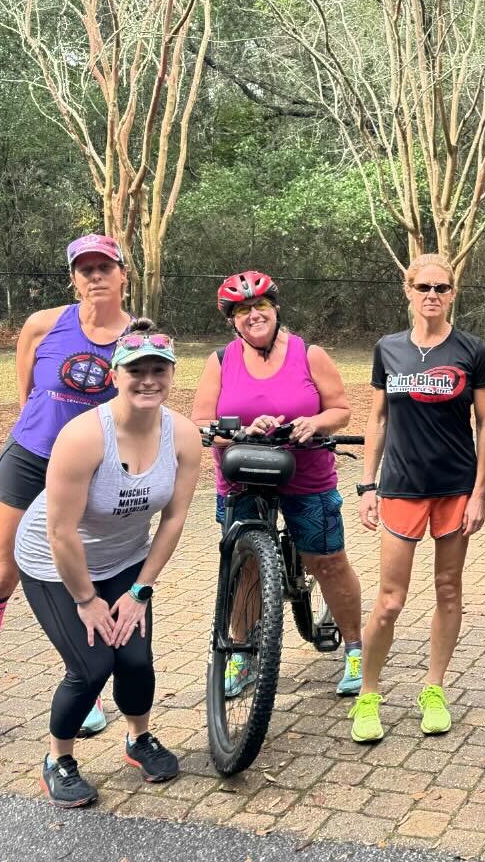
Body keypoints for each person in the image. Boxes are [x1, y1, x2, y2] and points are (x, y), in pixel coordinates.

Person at [0, 234, 132, 758]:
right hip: (30, 459)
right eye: (84, 268)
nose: (95, 276)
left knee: (81, 573)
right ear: (73, 277)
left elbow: (137, 408)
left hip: (90, 472)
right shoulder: (42, 324)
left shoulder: (136, 336)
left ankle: (85, 685)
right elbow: (27, 394)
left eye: (105, 267)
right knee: (0, 575)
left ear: (123, 275)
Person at [12, 320, 202, 806]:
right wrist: (87, 601)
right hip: (55, 561)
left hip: (123, 560)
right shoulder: (83, 437)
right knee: (93, 665)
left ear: (172, 374)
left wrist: (140, 591)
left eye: (158, 369)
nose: (148, 380)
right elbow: (60, 531)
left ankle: (138, 740)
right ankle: (59, 759)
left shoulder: (181, 435)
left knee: (135, 659)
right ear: (116, 373)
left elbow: (175, 518)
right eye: (136, 369)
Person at [190, 270, 366, 712]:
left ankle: (357, 650)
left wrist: (315, 422)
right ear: (232, 319)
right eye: (243, 311)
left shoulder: (310, 354)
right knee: (244, 568)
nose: (254, 316)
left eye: (261, 307)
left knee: (327, 562)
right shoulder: (220, 360)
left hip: (307, 475)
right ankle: (243, 656)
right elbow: (201, 423)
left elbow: (341, 410)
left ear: (276, 308)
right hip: (242, 477)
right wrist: (241, 431)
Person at [348, 254, 485, 743]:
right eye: (423, 287)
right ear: (407, 292)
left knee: (448, 590)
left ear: (453, 293)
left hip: (455, 490)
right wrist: (368, 485)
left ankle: (434, 688)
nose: (433, 295)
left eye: (442, 287)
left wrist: (480, 493)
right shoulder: (387, 349)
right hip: (402, 488)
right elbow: (378, 420)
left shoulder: (473, 351)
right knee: (390, 600)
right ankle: (369, 695)